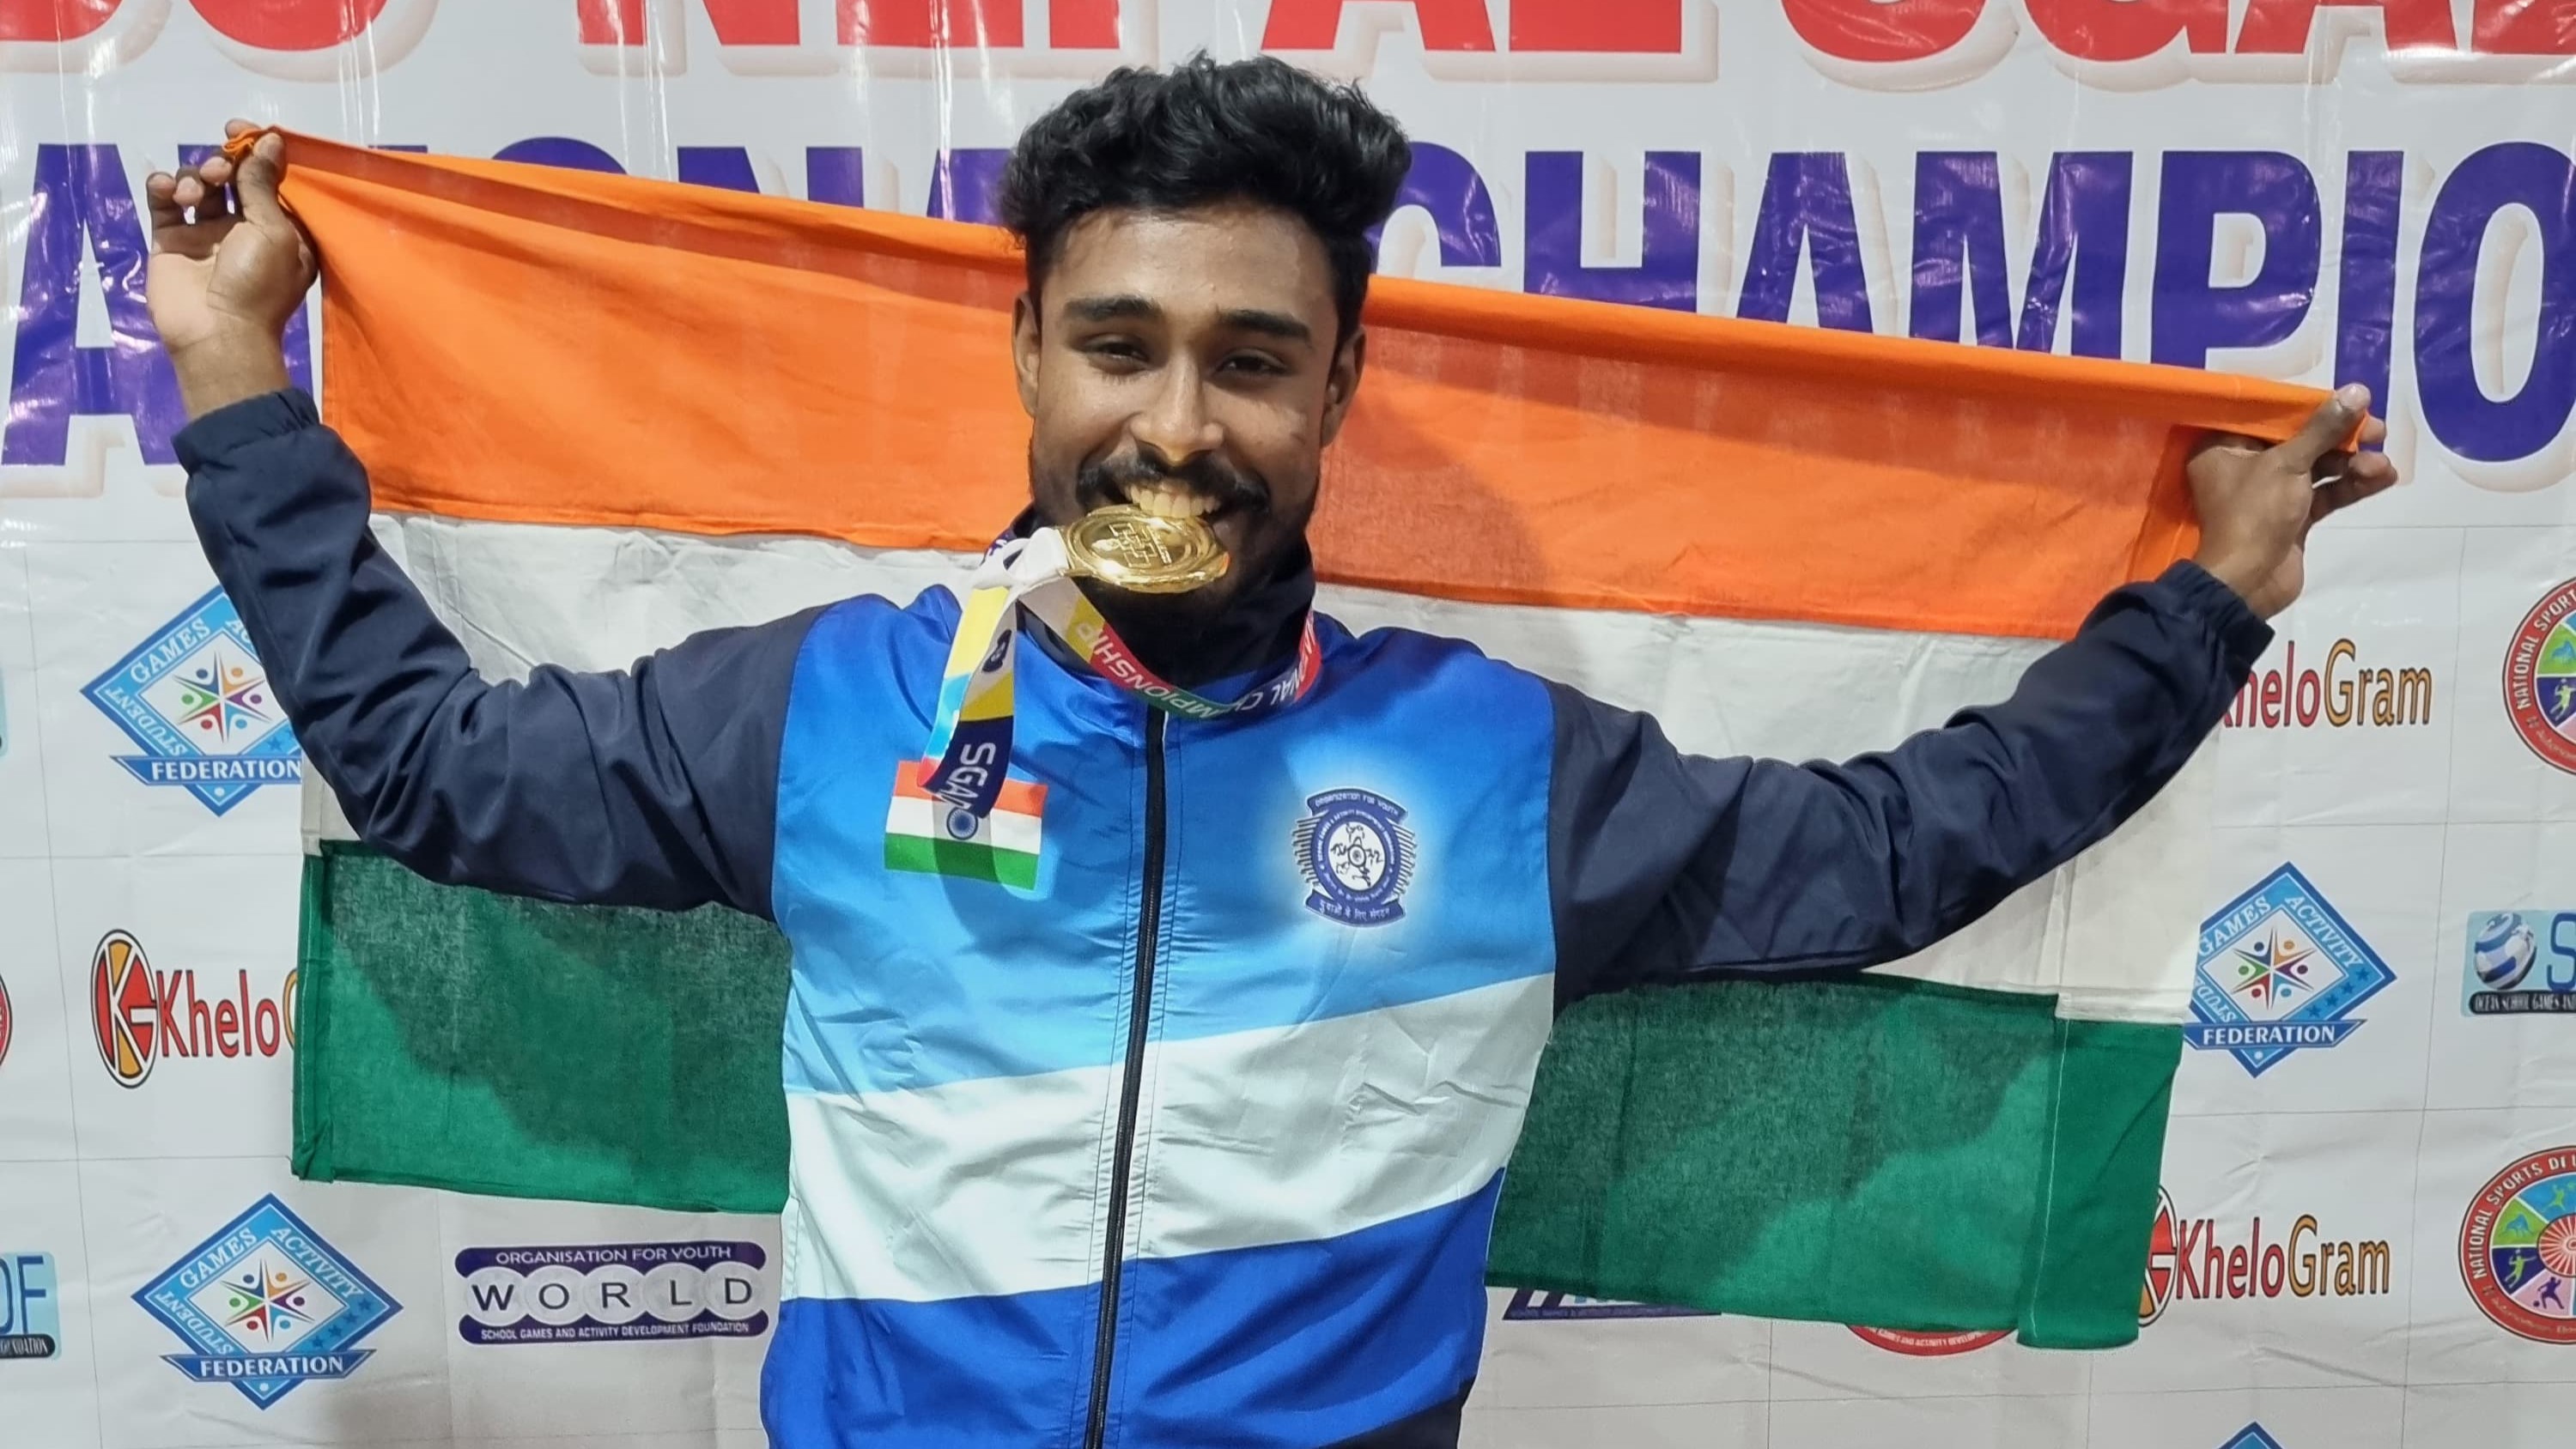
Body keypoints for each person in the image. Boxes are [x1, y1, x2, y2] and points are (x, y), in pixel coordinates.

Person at [148, 56, 2394, 1449]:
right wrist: (239, 382)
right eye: (1116, 346)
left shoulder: (1495, 770)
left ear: (1336, 394)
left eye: (1249, 361)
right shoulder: (831, 706)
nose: (1176, 425)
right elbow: (431, 771)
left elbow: (1904, 845)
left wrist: (2205, 600)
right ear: (1028, 363)